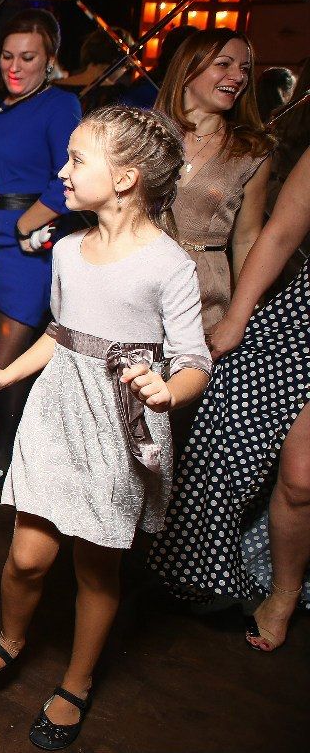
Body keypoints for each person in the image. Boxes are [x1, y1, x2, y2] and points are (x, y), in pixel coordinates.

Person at [0, 105, 210, 751]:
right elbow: (62, 333)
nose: (62, 172)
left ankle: (77, 681)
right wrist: (6, 375)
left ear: (124, 178)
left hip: (119, 425)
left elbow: (195, 362)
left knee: (96, 569)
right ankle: (10, 640)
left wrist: (167, 391)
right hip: (57, 412)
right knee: (27, 556)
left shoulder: (169, 265)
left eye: (76, 160)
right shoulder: (66, 248)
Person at [148, 145, 310, 652]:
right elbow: (278, 233)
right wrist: (238, 317)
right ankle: (204, 561)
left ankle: (283, 595)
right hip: (301, 321)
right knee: (232, 439)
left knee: (302, 476)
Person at [0, 9, 81, 491]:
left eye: (28, 57)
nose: (15, 66)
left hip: (28, 248)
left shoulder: (60, 105)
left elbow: (68, 176)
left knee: (6, 360)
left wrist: (30, 223)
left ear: (50, 59)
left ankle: (5, 448)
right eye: (8, 56)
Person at [157, 30, 276, 335]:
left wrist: (246, 315)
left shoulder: (250, 152)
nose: (238, 77)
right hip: (138, 275)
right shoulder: (146, 136)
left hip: (204, 293)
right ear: (187, 70)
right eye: (224, 64)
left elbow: (247, 239)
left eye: (245, 69)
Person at [55, 28, 134, 114]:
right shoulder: (117, 95)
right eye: (127, 67)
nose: (124, 71)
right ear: (119, 61)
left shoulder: (53, 87)